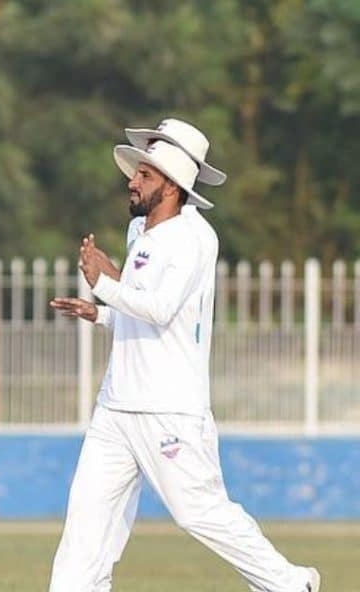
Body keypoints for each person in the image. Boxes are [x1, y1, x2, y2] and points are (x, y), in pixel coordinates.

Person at [47, 128, 321, 591]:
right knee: (87, 520)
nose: (132, 180)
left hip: (169, 405)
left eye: (144, 174)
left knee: (199, 511)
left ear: (171, 186)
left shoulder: (195, 238)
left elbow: (160, 309)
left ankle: (290, 583)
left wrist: (101, 283)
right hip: (116, 406)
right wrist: (100, 312)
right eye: (137, 170)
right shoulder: (140, 229)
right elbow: (139, 311)